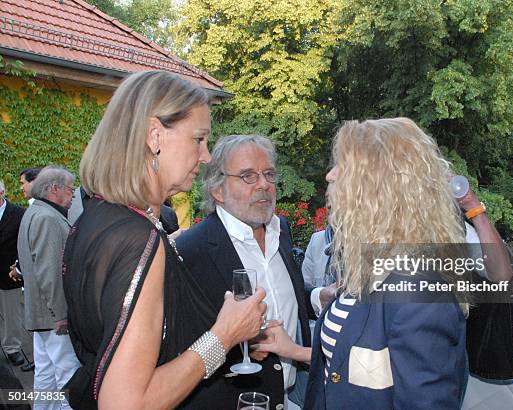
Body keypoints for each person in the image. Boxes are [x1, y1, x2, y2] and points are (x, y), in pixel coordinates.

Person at [62, 71, 266, 410]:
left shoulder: (96, 218)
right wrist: (224, 334)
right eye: (198, 139)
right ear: (155, 136)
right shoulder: (137, 238)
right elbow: (126, 403)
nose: (207, 156)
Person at [256, 118, 470, 409]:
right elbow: (358, 363)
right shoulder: (375, 267)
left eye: (343, 166)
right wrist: (290, 349)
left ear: (379, 186)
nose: (330, 175)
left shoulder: (417, 288)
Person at [176, 135, 312, 410]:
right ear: (218, 190)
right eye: (248, 176)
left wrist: (319, 297)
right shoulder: (191, 250)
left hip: (291, 398)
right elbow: (178, 345)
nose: (264, 184)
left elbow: (283, 294)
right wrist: (237, 345)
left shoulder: (280, 230)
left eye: (269, 174)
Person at [17, 166, 80, 410]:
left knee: (45, 376)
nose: (73, 194)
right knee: (67, 375)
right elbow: (50, 272)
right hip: (54, 317)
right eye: (70, 189)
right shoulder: (47, 218)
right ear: (54, 189)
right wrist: (61, 315)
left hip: (41, 315)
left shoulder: (34, 213)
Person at [0, 179, 28, 367]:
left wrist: (18, 267)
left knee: (12, 315)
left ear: (2, 193)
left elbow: (24, 244)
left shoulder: (19, 214)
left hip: (8, 274)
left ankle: (12, 348)